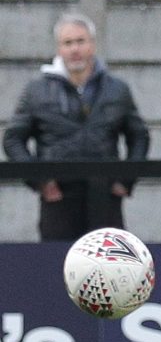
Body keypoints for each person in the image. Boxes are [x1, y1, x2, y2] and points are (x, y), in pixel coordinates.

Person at [3, 12, 150, 241]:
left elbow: (139, 136)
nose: (75, 49)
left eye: (80, 41)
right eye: (67, 43)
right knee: (56, 268)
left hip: (105, 196)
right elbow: (13, 139)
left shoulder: (116, 89)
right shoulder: (37, 91)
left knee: (108, 269)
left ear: (92, 44)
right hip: (58, 198)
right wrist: (39, 180)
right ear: (58, 48)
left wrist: (125, 180)